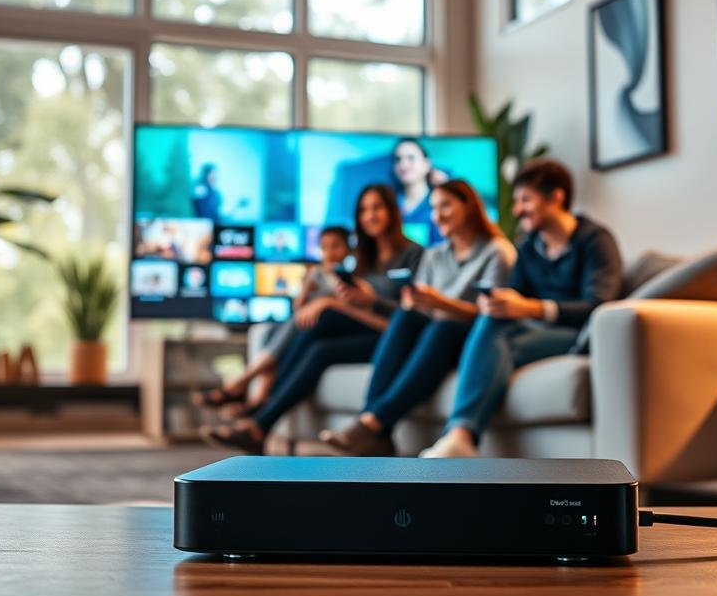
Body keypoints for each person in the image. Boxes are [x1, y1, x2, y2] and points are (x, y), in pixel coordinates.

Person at [419, 159, 622, 459]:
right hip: (536, 331)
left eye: (526, 200)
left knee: (501, 344)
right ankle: (459, 437)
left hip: (578, 335)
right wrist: (499, 303)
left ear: (557, 197)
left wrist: (531, 308)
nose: (517, 210)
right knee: (493, 322)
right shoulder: (528, 248)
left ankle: (461, 435)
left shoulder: (594, 241)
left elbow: (599, 306)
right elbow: (514, 295)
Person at [201, 185, 423, 453]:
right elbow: (347, 305)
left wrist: (366, 300)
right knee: (315, 344)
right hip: (362, 331)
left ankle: (254, 398)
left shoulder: (414, 255)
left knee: (323, 314)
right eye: (364, 209)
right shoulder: (362, 260)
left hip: (391, 337)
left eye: (377, 207)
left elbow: (414, 312)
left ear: (392, 211)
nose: (370, 215)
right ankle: (260, 422)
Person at [319, 180, 516, 457]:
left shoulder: (497, 251)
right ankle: (375, 429)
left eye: (446, 205)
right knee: (406, 318)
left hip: (471, 337)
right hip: (435, 329)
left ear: (469, 206)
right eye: (434, 208)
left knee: (442, 328)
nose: (438, 215)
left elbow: (496, 312)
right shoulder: (434, 255)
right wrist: (415, 303)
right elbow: (420, 312)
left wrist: (440, 303)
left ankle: (373, 422)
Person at [193, 226, 352, 413]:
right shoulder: (317, 274)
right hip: (307, 327)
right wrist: (307, 286)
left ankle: (242, 383)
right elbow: (298, 307)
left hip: (332, 330)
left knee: (293, 325)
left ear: (348, 249)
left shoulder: (350, 278)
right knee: (272, 330)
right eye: (324, 247)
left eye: (336, 246)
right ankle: (259, 398)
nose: (330, 253)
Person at [391, 138, 448, 244]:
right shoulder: (389, 204)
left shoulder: (439, 204)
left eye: (411, 158)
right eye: (398, 159)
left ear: (427, 164)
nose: (403, 165)